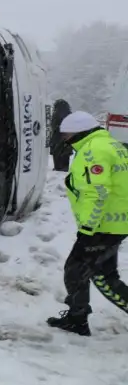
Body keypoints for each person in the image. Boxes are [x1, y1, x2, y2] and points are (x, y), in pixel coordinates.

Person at [47, 111, 128, 336]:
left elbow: (98, 191)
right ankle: (77, 318)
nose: (64, 139)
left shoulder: (93, 151)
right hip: (116, 222)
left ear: (79, 132)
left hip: (103, 226)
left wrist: (88, 229)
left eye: (66, 135)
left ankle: (77, 318)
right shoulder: (113, 145)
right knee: (104, 275)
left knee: (79, 271)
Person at [51, 99, 73, 172]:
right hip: (67, 137)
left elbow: (53, 125)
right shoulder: (69, 114)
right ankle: (65, 167)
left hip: (57, 136)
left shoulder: (56, 113)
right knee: (65, 153)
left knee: (57, 153)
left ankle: (57, 167)